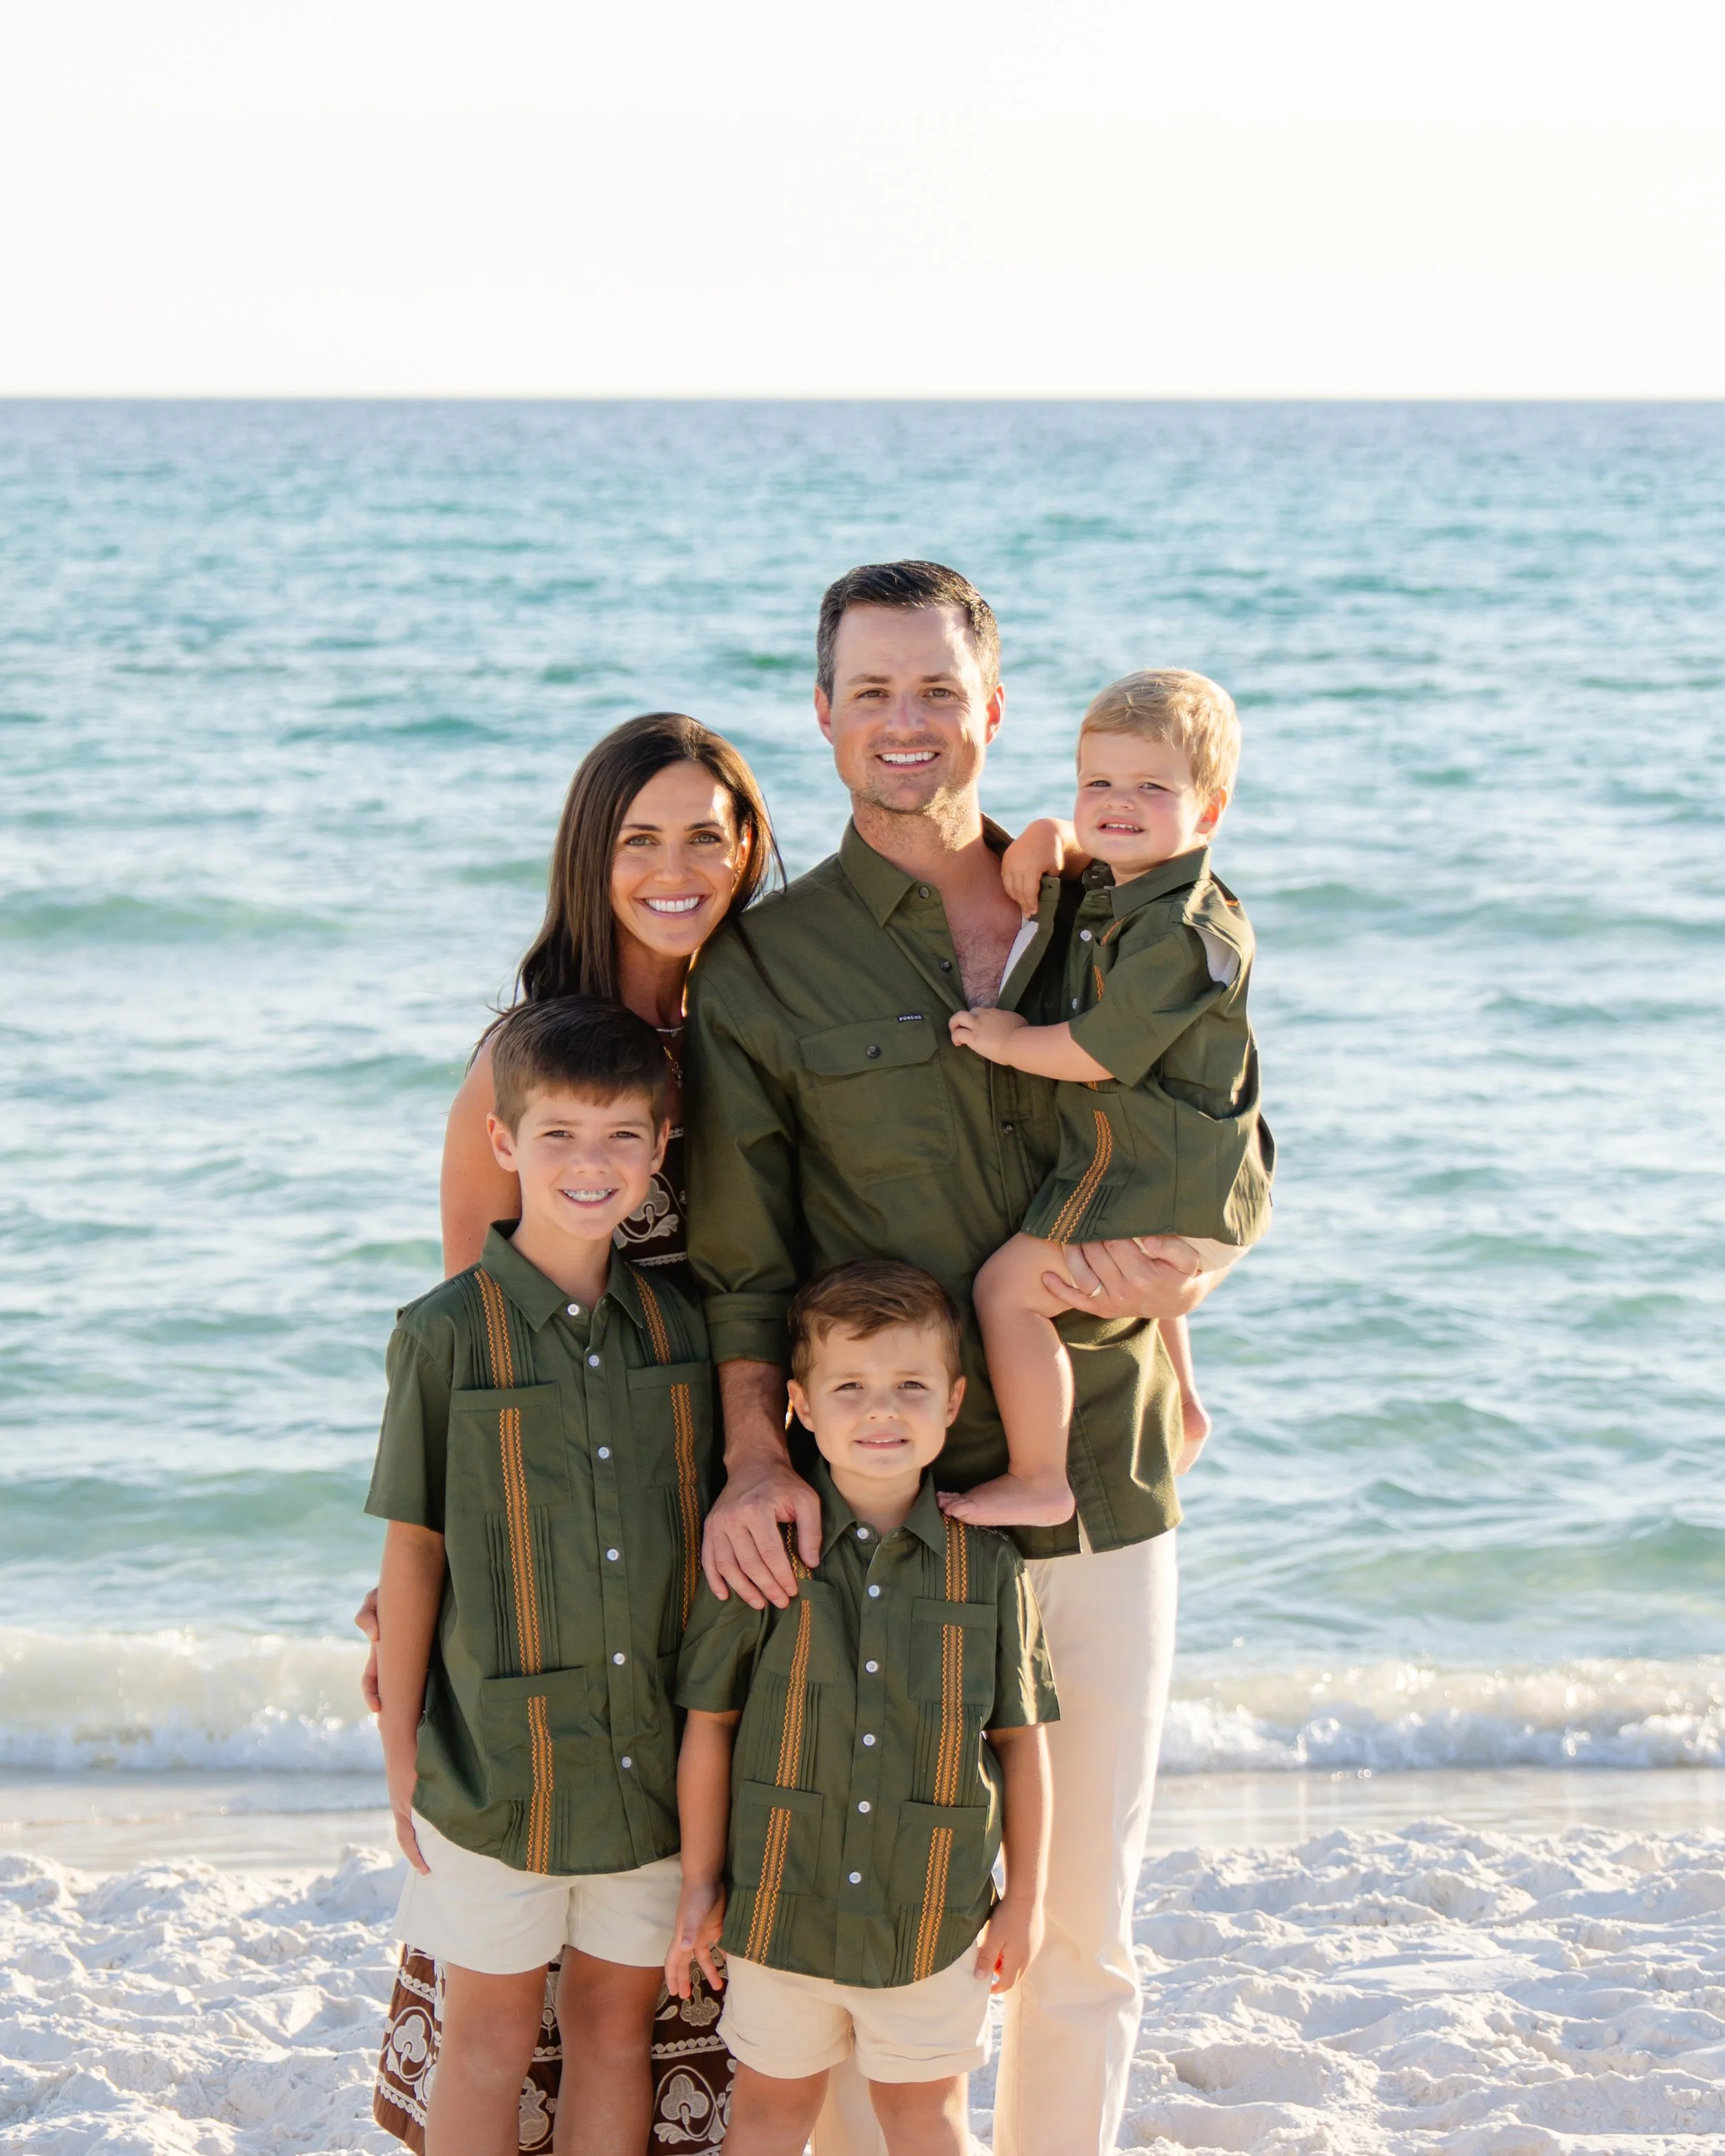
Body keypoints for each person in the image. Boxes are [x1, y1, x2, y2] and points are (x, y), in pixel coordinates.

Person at [686, 560, 1228, 2156]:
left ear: (992, 708)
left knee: (1079, 1916)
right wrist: (758, 1457)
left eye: (938, 689)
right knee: (862, 1907)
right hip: (877, 1505)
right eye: (874, 691)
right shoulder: (769, 967)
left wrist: (1206, 1275)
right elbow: (740, 1253)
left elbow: (1213, 1119)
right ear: (826, 717)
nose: (907, 721)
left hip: (1102, 1460)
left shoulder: (1120, 904)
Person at [366, 713, 779, 2156]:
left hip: (711, 1525)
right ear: (587, 855)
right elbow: (470, 1336)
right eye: (636, 839)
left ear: (749, 851)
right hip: (547, 1545)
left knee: (640, 1968)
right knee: (499, 2001)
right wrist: (420, 1601)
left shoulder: (768, 1025)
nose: (674, 870)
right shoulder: (522, 1060)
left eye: (705, 838)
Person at [368, 996, 715, 2156]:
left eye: (623, 1135)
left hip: (649, 1771)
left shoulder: (685, 1332)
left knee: (616, 2025)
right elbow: (415, 1548)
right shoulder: (443, 1335)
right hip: (494, 1768)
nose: (591, 1163)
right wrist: (403, 1742)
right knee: (490, 2030)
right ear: (503, 1144)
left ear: (661, 1151)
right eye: (558, 1134)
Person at [664, 1261, 1056, 2156]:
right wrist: (700, 1881)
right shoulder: (758, 1555)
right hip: (778, 1908)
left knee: (926, 2119)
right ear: (800, 1403)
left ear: (953, 1401)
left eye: (910, 1386)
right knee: (767, 2114)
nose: (882, 1410)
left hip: (934, 1910)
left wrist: (1024, 1898)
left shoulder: (988, 1569)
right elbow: (710, 1726)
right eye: (851, 1387)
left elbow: (1023, 1745)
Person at [942, 668, 1272, 1529]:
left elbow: (1097, 1050)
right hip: (1181, 1166)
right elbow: (1091, 847)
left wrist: (1008, 1039)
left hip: (1163, 1167)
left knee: (1006, 1292)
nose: (1117, 804)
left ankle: (1040, 1473)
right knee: (1140, 1267)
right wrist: (1052, 831)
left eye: (1150, 788)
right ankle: (1187, 1406)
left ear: (1209, 809)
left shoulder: (1181, 931)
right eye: (1098, 783)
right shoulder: (1134, 881)